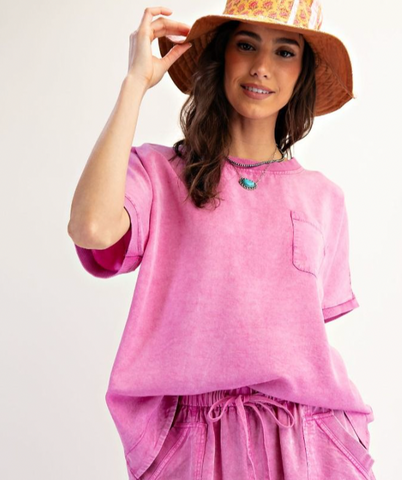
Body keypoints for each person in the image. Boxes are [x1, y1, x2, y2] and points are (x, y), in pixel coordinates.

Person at [68, 1, 377, 479]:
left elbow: (304, 342)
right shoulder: (159, 173)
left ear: (301, 73)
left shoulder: (324, 198)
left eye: (285, 52)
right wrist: (134, 85)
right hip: (196, 445)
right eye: (246, 45)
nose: (261, 67)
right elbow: (92, 228)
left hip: (308, 444)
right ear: (223, 56)